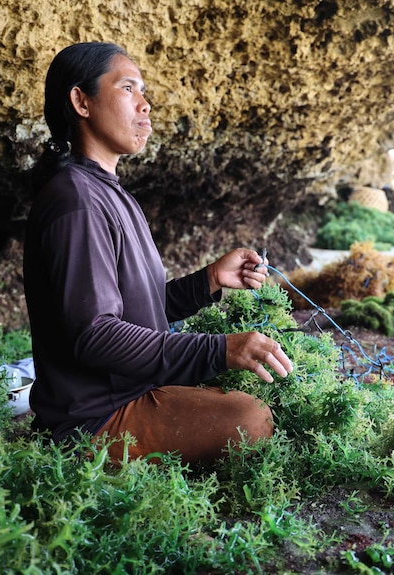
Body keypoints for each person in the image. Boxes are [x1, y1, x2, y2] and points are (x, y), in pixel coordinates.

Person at [24, 42, 293, 466]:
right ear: (81, 101)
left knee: (252, 402)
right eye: (128, 88)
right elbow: (93, 334)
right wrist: (218, 349)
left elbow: (137, 313)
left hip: (134, 390)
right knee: (250, 417)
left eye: (144, 91)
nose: (146, 105)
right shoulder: (75, 201)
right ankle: (86, 458)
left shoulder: (112, 196)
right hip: (93, 419)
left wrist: (207, 281)